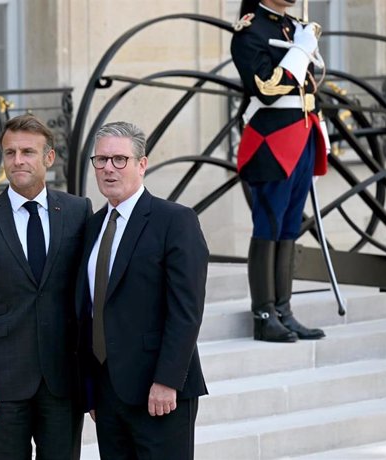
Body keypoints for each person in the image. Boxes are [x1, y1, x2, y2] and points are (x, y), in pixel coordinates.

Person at [0, 114, 91, 459]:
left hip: (62, 380)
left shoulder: (77, 211)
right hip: (0, 382)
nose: (18, 161)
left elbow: (89, 298)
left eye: (28, 152)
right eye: (10, 153)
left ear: (49, 158)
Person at [77, 121, 209, 459]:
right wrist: (92, 391)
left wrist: (167, 381)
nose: (108, 168)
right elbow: (89, 311)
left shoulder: (175, 221)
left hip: (159, 392)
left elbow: (186, 311)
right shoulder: (92, 227)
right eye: (101, 160)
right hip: (108, 394)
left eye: (120, 159)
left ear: (142, 164)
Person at [231, 0, 328, 342]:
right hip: (271, 141)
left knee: (289, 227)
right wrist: (301, 51)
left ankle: (284, 310)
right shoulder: (250, 29)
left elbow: (309, 88)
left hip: (302, 136)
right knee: (268, 225)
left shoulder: (290, 26)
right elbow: (266, 88)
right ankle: (263, 314)